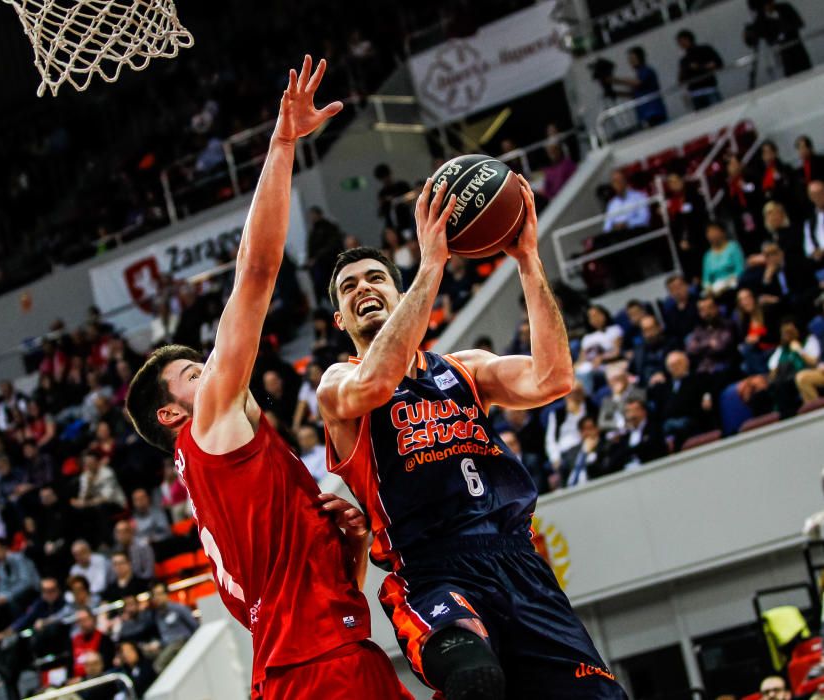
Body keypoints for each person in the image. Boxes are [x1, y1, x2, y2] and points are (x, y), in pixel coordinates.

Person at [124, 57, 412, 700]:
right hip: (323, 673)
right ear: (173, 415)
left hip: (301, 668)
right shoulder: (210, 429)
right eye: (195, 373)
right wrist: (282, 144)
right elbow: (255, 274)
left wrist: (352, 552)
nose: (217, 370)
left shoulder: (225, 485)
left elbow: (285, 598)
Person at [319, 176, 625, 699]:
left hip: (517, 561)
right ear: (339, 319)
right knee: (474, 678)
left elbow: (553, 379)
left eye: (375, 278)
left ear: (397, 293)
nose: (363, 288)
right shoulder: (338, 383)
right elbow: (376, 381)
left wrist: (528, 258)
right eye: (350, 288)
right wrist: (432, 264)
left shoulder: (466, 370)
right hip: (432, 569)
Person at [615, 46, 668, 128]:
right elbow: (634, 94)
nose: (631, 61)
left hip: (654, 112)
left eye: (633, 58)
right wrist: (616, 93)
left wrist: (616, 80)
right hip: (644, 115)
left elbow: (639, 83)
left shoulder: (647, 71)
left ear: (640, 58)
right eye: (630, 59)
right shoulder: (638, 74)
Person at [676, 30, 723, 109]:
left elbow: (718, 63)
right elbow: (681, 78)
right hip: (695, 93)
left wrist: (700, 67)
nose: (680, 44)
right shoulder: (684, 59)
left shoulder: (704, 49)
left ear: (688, 39)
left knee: (718, 111)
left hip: (709, 88)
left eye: (681, 41)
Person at [701, 222, 745, 300]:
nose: (712, 234)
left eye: (714, 231)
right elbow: (706, 280)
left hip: (733, 285)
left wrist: (726, 285)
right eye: (709, 232)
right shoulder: (707, 256)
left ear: (723, 232)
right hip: (715, 290)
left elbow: (740, 270)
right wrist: (709, 288)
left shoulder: (733, 247)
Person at [802, 180, 824, 270]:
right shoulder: (810, 222)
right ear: (810, 197)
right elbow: (808, 248)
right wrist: (816, 252)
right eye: (814, 195)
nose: (818, 197)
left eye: (821, 193)